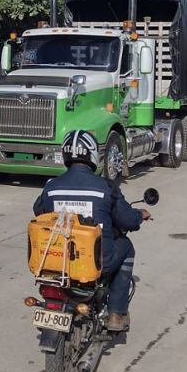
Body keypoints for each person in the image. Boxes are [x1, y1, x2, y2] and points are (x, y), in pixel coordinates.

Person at [33, 130, 150, 331]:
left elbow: (39, 211)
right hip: (96, 262)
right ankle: (115, 312)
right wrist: (140, 215)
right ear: (93, 154)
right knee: (127, 247)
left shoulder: (51, 186)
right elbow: (128, 220)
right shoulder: (105, 186)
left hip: (57, 262)